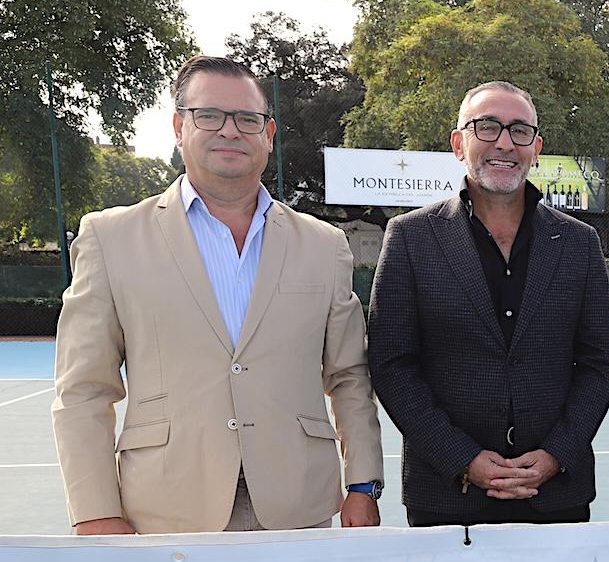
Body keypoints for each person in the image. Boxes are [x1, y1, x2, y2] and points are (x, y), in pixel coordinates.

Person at [52, 55, 383, 534]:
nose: (231, 131)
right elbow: (83, 390)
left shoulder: (324, 244)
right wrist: (96, 512)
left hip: (300, 508)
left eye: (248, 119)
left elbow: (350, 376)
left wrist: (362, 485)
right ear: (178, 127)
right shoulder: (111, 238)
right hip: (165, 510)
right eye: (209, 115)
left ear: (268, 135)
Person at [367, 81, 609, 527]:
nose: (504, 142)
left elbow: (599, 363)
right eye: (487, 127)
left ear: (536, 147)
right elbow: (392, 365)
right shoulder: (410, 238)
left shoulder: (579, 243)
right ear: (458, 143)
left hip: (554, 494)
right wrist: (462, 458)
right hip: (445, 496)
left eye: (519, 130)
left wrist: (558, 454)